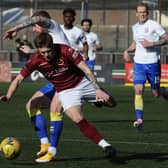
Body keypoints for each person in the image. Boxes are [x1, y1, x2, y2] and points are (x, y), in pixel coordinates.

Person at [0, 32, 117, 163]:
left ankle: (97, 101)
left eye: (48, 52)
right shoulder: (36, 60)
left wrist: (97, 89)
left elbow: (87, 70)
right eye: (42, 52)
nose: (46, 55)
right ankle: (106, 146)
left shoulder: (66, 50)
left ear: (53, 46)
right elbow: (19, 79)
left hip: (83, 83)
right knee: (77, 118)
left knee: (111, 103)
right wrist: (9, 95)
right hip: (66, 92)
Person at [123, 2, 168, 129]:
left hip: (153, 63)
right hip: (139, 63)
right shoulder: (135, 27)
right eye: (140, 12)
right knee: (138, 90)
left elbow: (166, 38)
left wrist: (153, 43)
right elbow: (135, 43)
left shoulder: (154, 25)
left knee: (155, 93)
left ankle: (164, 92)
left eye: (144, 12)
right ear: (136, 13)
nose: (142, 14)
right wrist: (127, 50)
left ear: (147, 13)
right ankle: (139, 119)